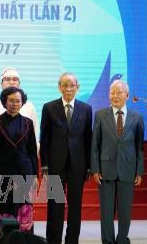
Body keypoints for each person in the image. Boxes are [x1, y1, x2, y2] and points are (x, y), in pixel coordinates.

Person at [39, 72, 92, 244]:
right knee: (55, 206)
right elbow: (44, 138)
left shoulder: (86, 109)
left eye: (72, 85)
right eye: (64, 85)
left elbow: (88, 139)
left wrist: (89, 166)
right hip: (55, 165)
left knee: (75, 207)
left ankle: (72, 240)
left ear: (78, 87)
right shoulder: (49, 107)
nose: (68, 89)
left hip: (78, 166)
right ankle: (53, 240)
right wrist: (45, 165)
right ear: (59, 87)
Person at [90, 80, 144, 244]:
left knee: (125, 210)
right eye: (112, 92)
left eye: (118, 92)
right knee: (106, 211)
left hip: (128, 169)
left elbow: (139, 147)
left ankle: (122, 240)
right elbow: (95, 145)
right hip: (105, 169)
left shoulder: (137, 117)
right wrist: (95, 169)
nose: (114, 95)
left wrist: (139, 171)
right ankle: (107, 241)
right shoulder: (100, 115)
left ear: (126, 95)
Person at [0, 86, 38, 244]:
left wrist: (35, 176)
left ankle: (24, 240)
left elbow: (32, 151)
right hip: (1, 173)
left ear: (23, 103)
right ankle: (1, 240)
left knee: (23, 209)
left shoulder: (28, 123)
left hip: (24, 173)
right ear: (4, 102)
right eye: (11, 101)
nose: (15, 104)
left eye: (18, 101)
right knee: (3, 209)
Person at [0, 68, 39, 144]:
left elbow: (35, 133)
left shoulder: (29, 106)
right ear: (1, 84)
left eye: (15, 79)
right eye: (7, 79)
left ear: (19, 84)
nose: (11, 82)